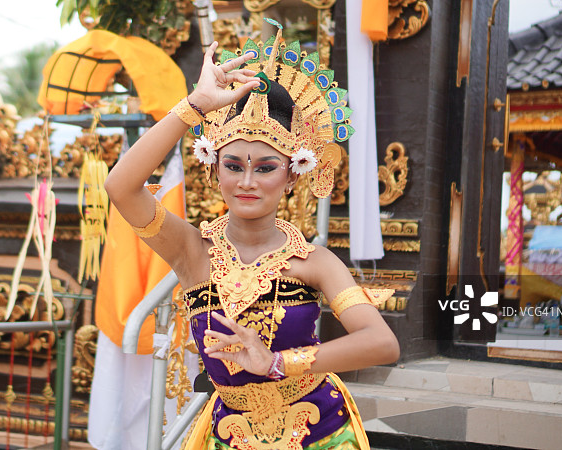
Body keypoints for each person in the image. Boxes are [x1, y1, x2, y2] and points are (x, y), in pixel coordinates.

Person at [105, 25, 399, 449]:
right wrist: (196, 105)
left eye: (265, 167)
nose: (247, 181)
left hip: (317, 433)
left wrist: (278, 362)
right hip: (230, 435)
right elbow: (120, 188)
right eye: (233, 166)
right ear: (212, 168)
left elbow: (381, 343)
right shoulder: (192, 252)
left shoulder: (314, 262)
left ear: (292, 175)